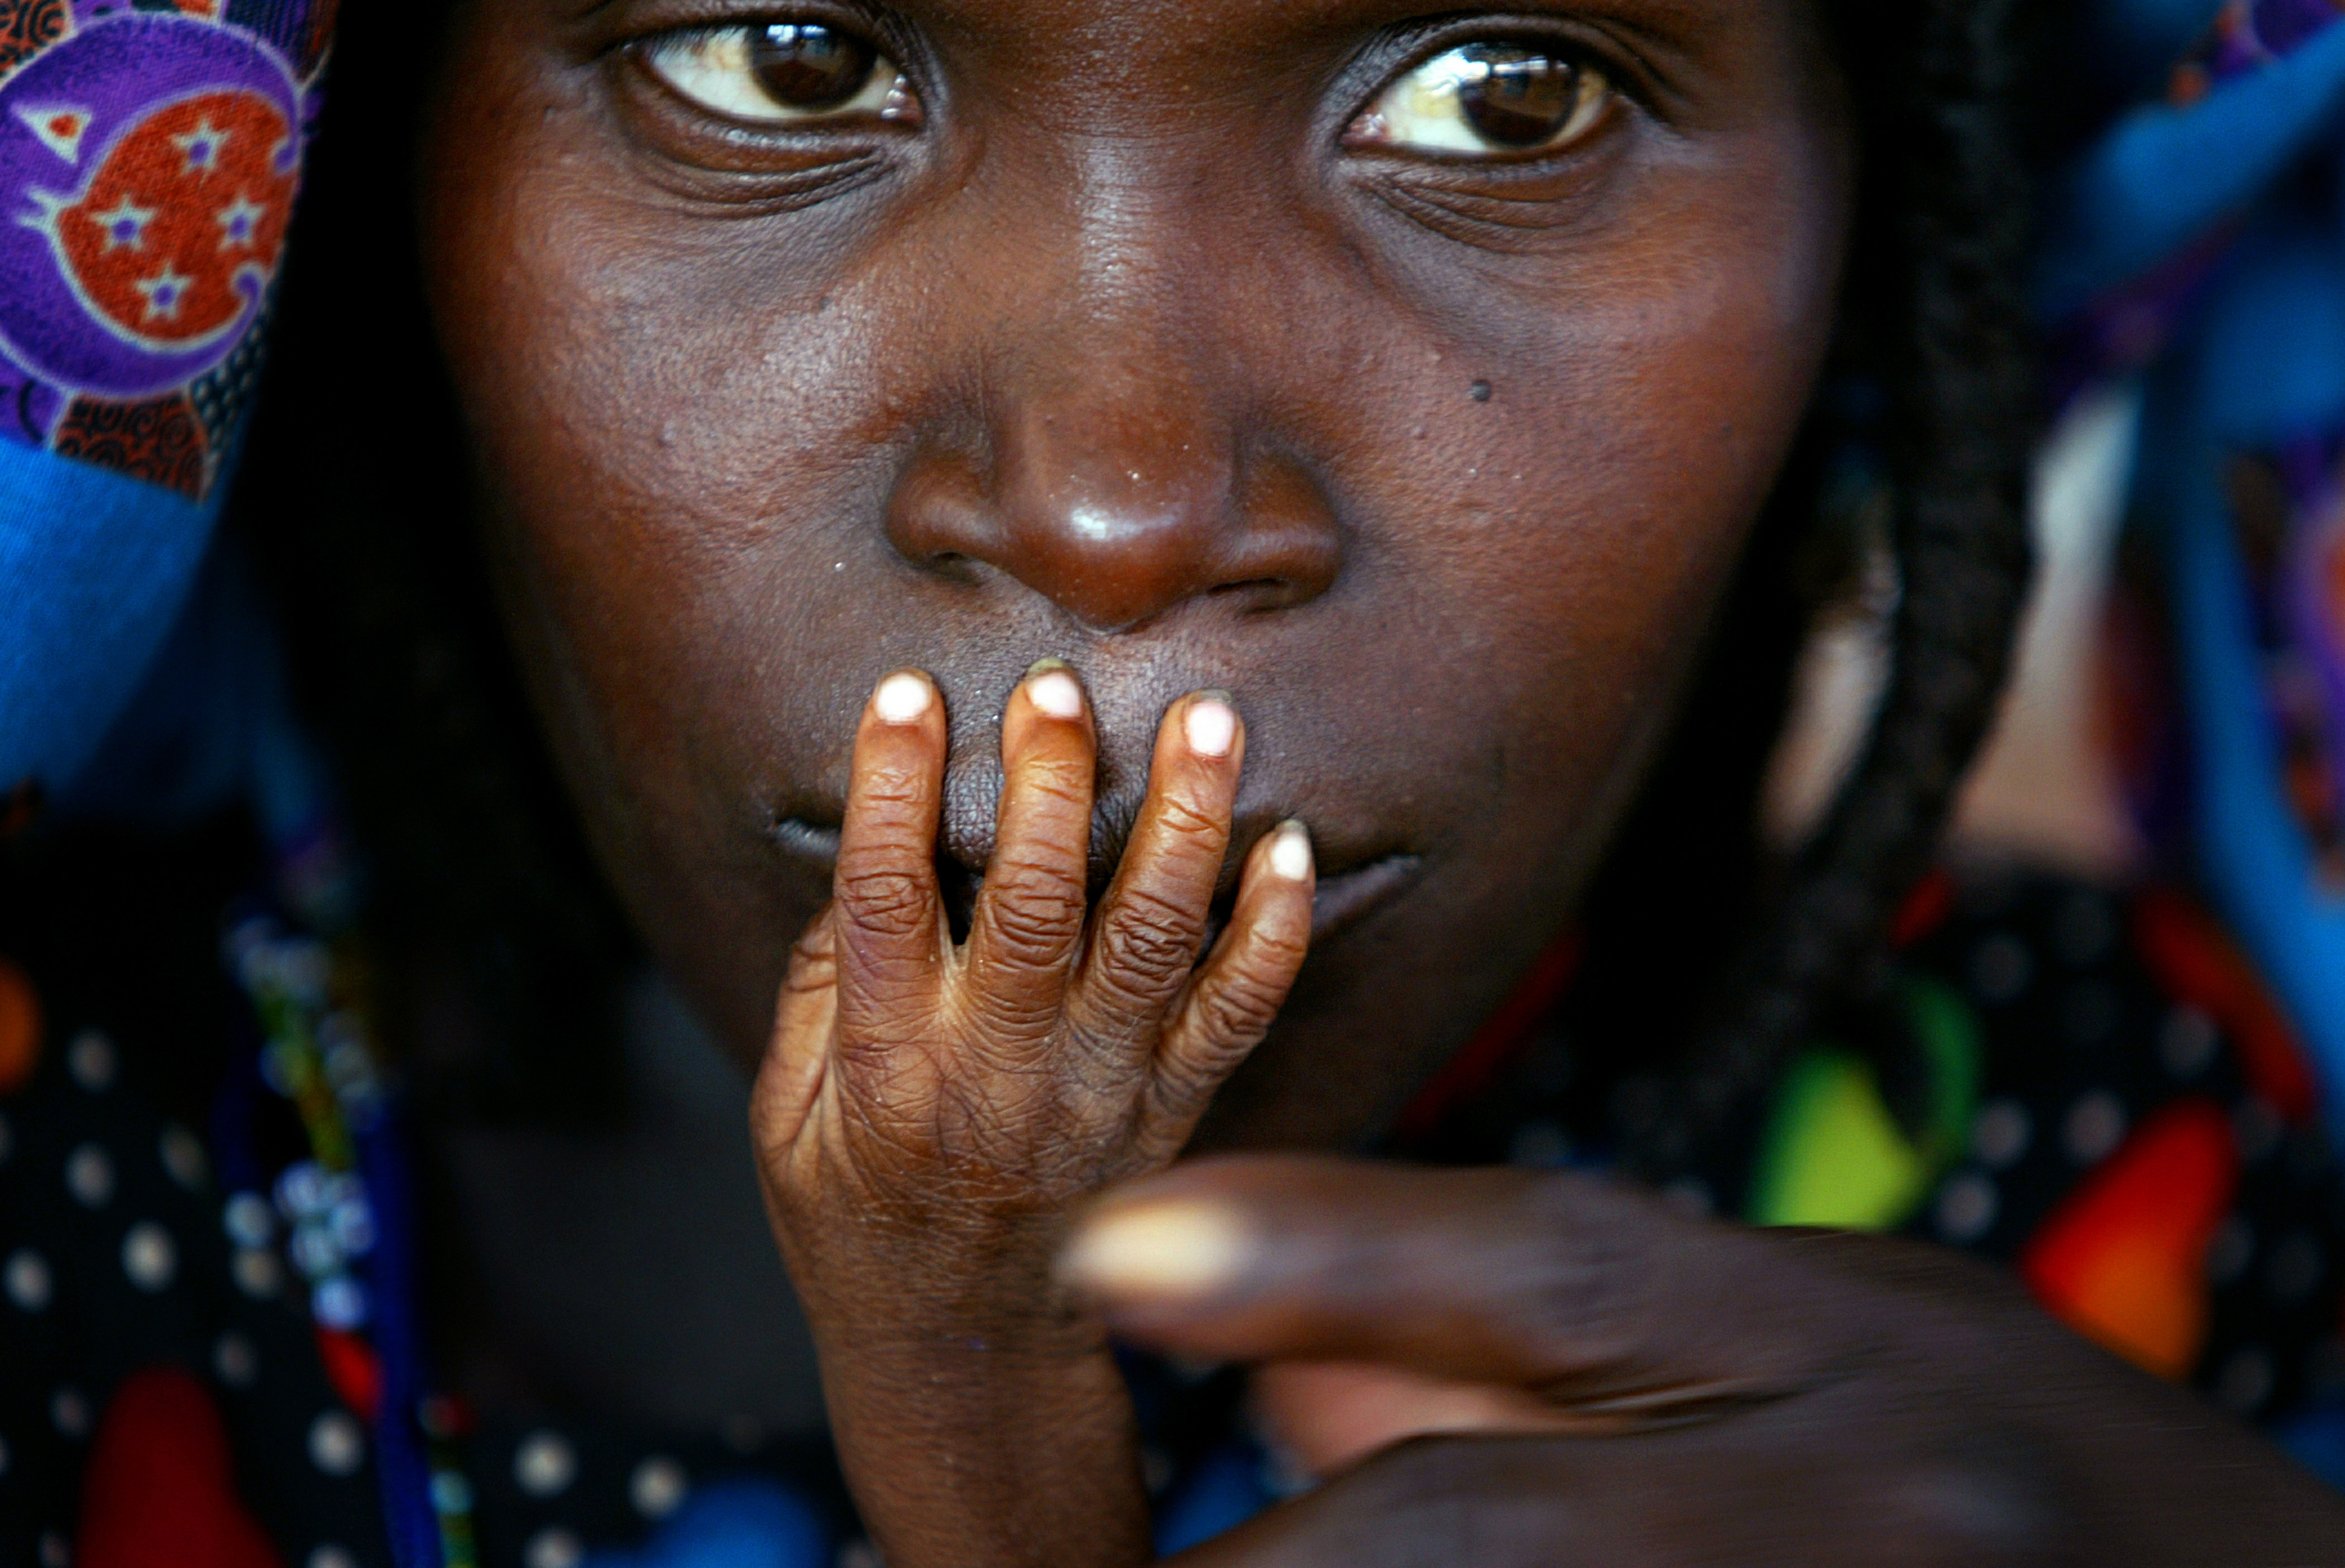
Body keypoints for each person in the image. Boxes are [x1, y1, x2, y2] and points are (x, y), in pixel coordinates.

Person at [6, 1, 2345, 1565]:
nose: (1115, 499)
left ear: (1878, 241)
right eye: (785, 57)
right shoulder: (45, 1195)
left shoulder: (2139, 1213)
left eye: (1502, 97)